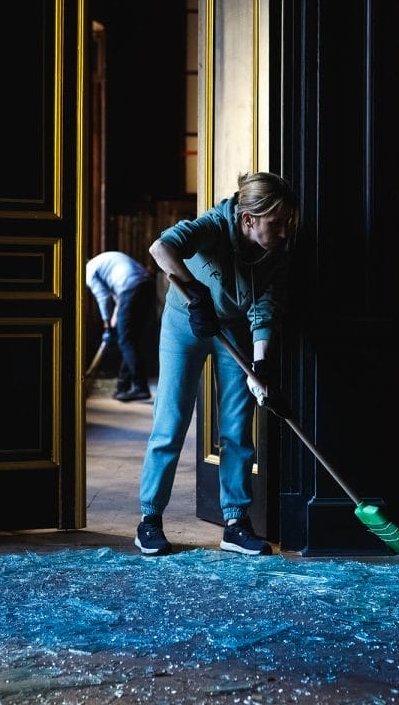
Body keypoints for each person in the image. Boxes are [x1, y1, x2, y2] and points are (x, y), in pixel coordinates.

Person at [135, 172, 300, 556]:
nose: (283, 231)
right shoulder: (213, 225)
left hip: (234, 330)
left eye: (286, 222)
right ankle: (149, 520)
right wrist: (195, 294)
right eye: (276, 223)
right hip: (185, 324)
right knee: (171, 420)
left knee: (237, 428)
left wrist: (260, 366)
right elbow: (161, 248)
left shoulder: (277, 251)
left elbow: (264, 307)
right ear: (248, 219)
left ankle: (235, 523)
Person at [85, 251, 157, 402]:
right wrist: (114, 318)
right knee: (130, 341)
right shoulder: (101, 262)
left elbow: (103, 298)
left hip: (131, 289)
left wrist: (106, 326)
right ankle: (123, 386)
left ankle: (140, 387)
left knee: (125, 341)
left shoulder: (88, 271)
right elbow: (119, 296)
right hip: (147, 286)